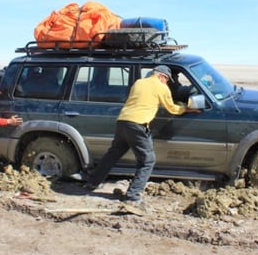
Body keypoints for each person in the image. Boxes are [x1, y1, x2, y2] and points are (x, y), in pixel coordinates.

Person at [84, 65, 201, 203]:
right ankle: (132, 196)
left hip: (123, 121)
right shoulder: (161, 87)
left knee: (113, 154)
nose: (167, 82)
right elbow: (172, 108)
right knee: (147, 161)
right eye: (167, 79)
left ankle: (92, 182)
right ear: (162, 76)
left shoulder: (139, 83)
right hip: (138, 124)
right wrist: (187, 109)